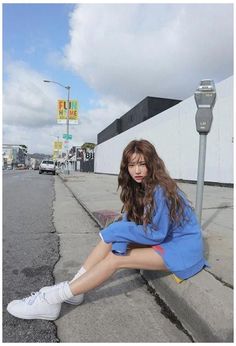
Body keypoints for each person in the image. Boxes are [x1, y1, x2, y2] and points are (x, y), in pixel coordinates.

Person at [7, 139, 208, 321]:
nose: (137, 170)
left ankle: (53, 298)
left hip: (182, 248)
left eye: (142, 163)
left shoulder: (160, 189)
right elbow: (131, 221)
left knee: (116, 257)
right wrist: (117, 237)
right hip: (167, 240)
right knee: (112, 240)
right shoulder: (139, 187)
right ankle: (76, 289)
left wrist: (117, 233)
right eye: (131, 165)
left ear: (152, 163)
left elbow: (157, 233)